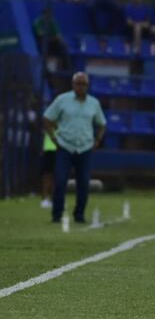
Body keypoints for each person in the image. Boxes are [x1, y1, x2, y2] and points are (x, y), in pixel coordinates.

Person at [43, 72, 106, 224]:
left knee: (83, 183)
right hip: (65, 146)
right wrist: (53, 137)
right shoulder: (62, 100)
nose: (80, 87)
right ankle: (56, 215)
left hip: (84, 147)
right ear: (73, 85)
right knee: (60, 181)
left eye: (83, 84)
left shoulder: (94, 103)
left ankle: (79, 215)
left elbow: (102, 124)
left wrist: (97, 140)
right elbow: (47, 117)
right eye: (78, 83)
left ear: (87, 86)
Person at [40, 129, 57, 209]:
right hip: (50, 148)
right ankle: (44, 199)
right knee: (48, 175)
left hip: (59, 149)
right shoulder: (52, 118)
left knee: (55, 175)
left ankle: (53, 200)